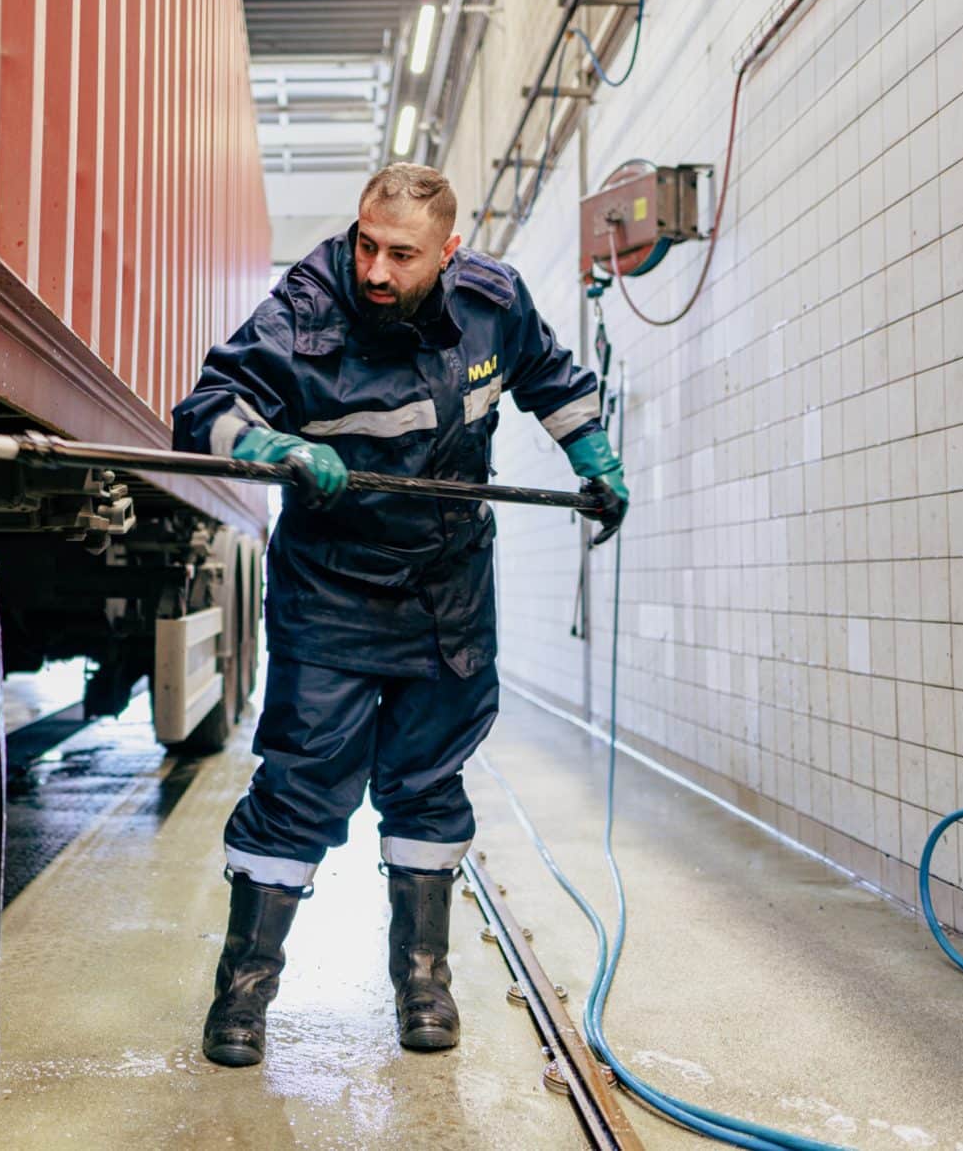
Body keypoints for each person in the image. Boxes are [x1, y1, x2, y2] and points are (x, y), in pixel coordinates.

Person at [171, 163, 628, 1067]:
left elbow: (549, 377)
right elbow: (206, 411)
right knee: (301, 785)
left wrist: (596, 455)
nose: (375, 270)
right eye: (366, 244)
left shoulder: (494, 302)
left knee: (428, 782)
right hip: (332, 587)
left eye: (401, 255)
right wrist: (270, 443)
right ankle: (244, 993)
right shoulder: (303, 310)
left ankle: (424, 979)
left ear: (449, 253)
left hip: (449, 594)